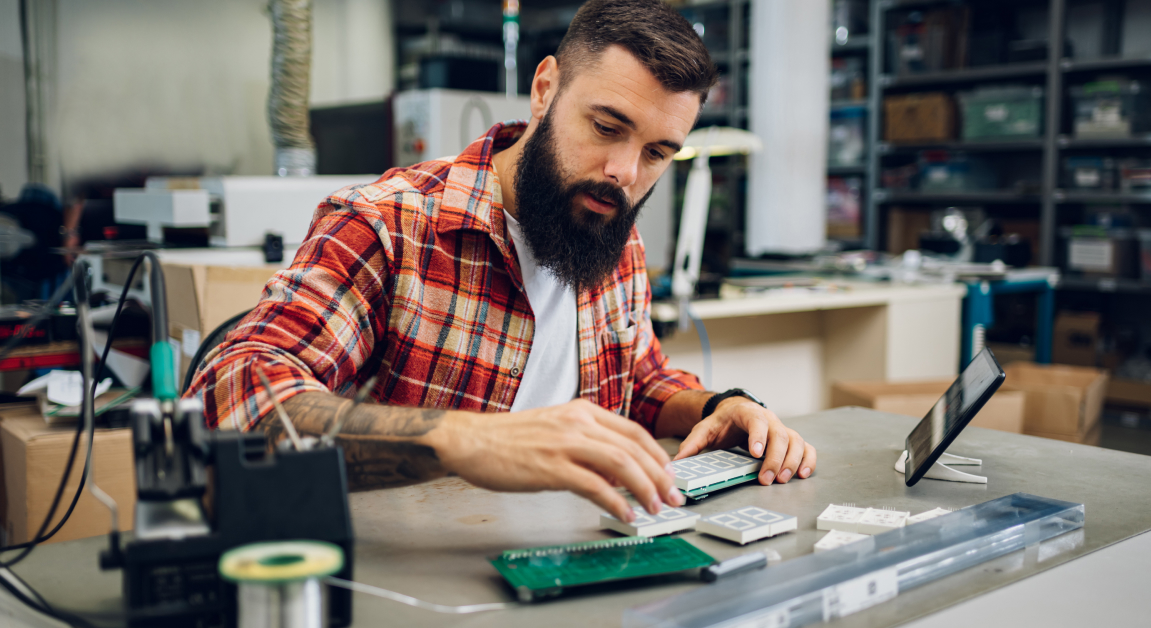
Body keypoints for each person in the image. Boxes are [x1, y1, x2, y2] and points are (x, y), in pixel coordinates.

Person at [188, 0, 816, 524]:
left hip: (566, 557)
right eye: (605, 127)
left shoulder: (610, 236)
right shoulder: (388, 225)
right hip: (398, 572)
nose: (625, 173)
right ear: (545, 90)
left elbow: (641, 381)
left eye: (657, 152)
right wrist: (465, 440)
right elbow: (231, 401)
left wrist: (718, 408)